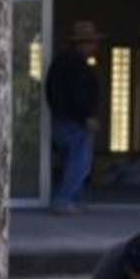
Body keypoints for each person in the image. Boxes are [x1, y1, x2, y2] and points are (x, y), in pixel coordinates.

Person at [45, 19, 102, 214]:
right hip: (72, 121)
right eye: (91, 42)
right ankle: (64, 199)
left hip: (67, 118)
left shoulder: (66, 63)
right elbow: (75, 95)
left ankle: (74, 200)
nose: (95, 46)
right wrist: (86, 116)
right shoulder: (74, 65)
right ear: (82, 44)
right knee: (80, 161)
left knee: (75, 160)